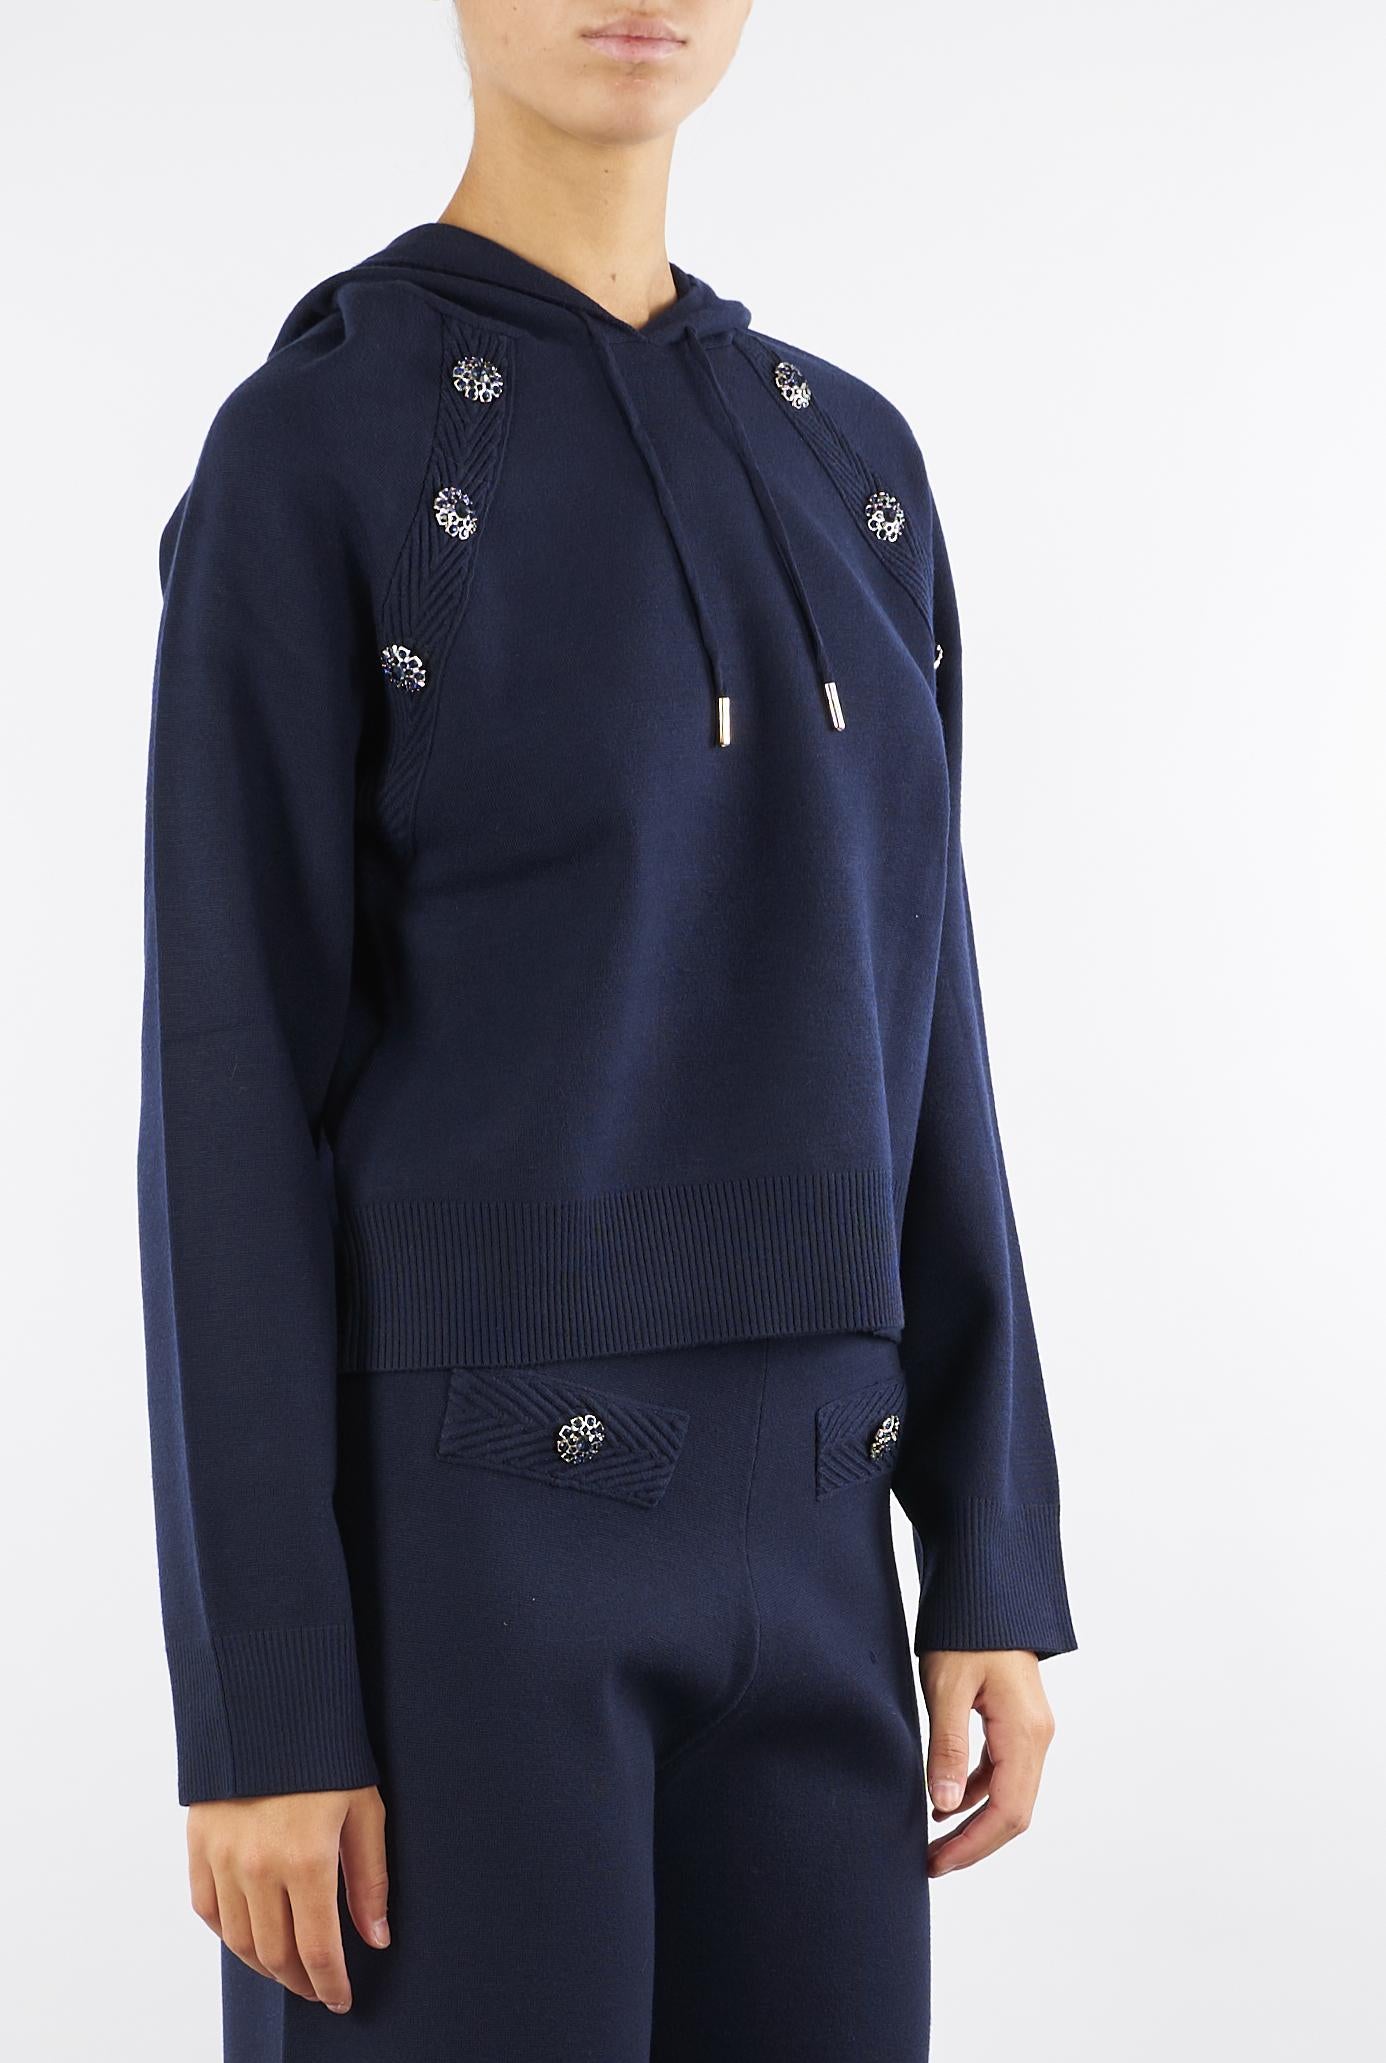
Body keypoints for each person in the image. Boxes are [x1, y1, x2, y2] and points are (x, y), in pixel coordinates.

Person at [137, 4, 1076, 2056]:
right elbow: (226, 1087)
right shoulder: (320, 450)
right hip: (460, 1570)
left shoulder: (855, 464)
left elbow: (924, 1005)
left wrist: (989, 1548)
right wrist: (264, 1706)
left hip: (822, 1535)